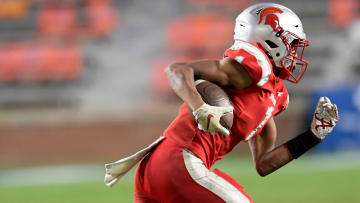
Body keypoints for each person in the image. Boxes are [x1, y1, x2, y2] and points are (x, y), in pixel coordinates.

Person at [104, 3, 339, 202]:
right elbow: (177, 70)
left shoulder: (276, 96)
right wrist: (199, 107)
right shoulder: (249, 67)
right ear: (270, 39)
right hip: (179, 160)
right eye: (291, 43)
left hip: (160, 169)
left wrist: (312, 137)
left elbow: (264, 164)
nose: (294, 52)